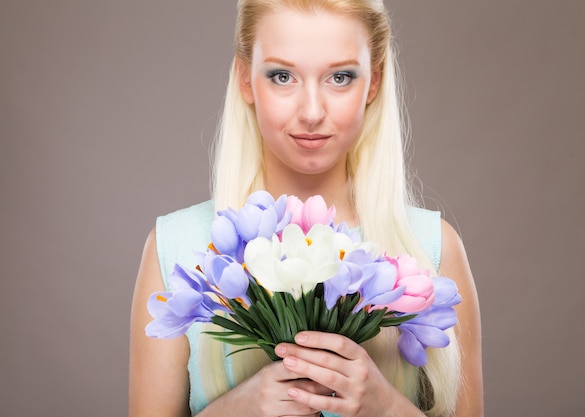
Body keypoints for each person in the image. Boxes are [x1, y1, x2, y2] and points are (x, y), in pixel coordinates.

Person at [129, 1, 483, 416]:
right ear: (245, 79)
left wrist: (386, 408)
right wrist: (237, 409)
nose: (312, 112)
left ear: (374, 82)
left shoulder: (432, 249)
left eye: (340, 77)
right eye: (282, 76)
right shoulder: (178, 249)